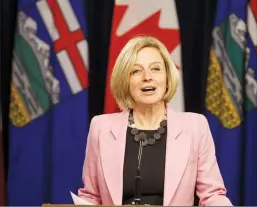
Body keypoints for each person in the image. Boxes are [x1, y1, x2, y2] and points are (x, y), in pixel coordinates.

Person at [77, 36, 232, 206]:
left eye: (156, 69)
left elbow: (212, 195)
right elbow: (91, 197)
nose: (147, 77)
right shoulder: (101, 128)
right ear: (125, 81)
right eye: (136, 71)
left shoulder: (195, 126)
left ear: (167, 77)